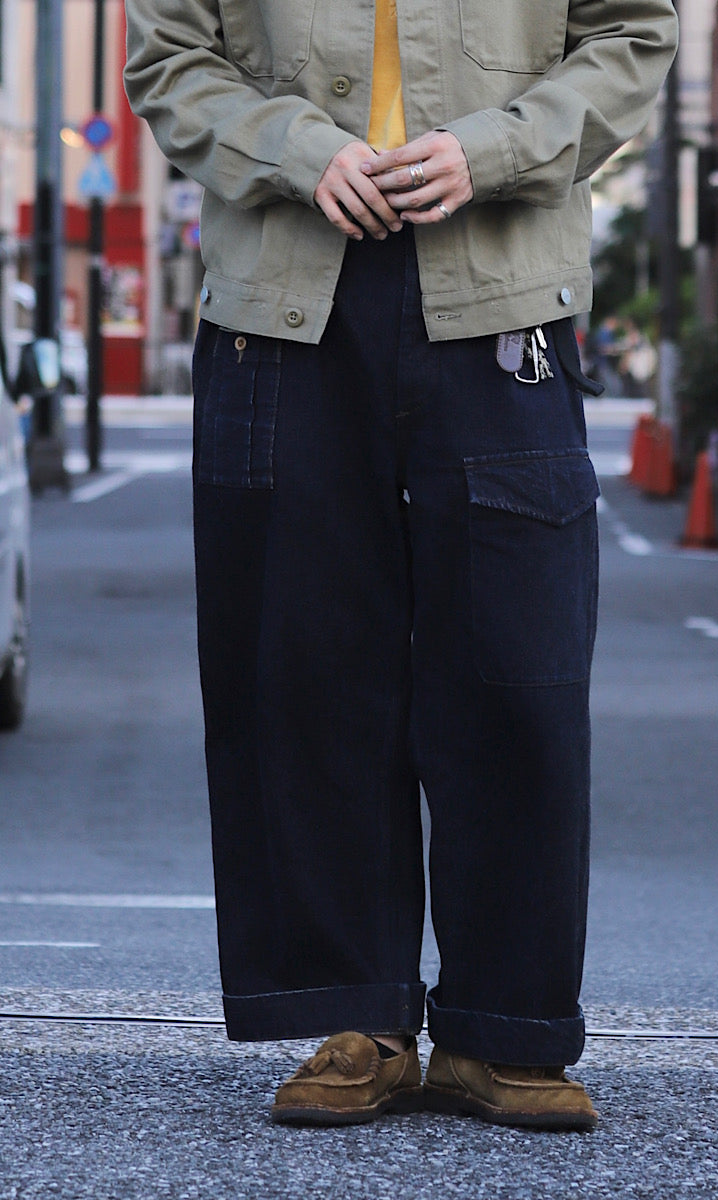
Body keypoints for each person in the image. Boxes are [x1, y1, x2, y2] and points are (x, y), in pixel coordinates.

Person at [124, 0, 678, 1130]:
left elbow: (630, 34)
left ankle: (506, 1029)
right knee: (304, 669)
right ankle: (354, 1016)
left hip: (504, 294)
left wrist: (491, 150)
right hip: (280, 300)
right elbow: (169, 54)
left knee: (516, 669)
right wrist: (296, 148)